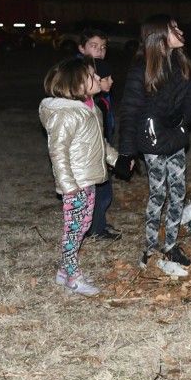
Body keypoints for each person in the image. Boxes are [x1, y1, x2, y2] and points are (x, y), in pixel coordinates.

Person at [39, 56, 133, 296]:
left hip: (88, 179)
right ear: (77, 85)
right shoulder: (66, 114)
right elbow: (57, 152)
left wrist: (116, 160)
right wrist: (67, 185)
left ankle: (64, 270)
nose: (96, 78)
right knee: (74, 230)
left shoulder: (90, 108)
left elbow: (98, 143)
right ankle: (73, 277)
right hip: (76, 183)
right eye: (91, 76)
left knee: (82, 226)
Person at [118, 14, 191, 269]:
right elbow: (129, 112)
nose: (179, 30)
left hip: (176, 138)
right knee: (158, 195)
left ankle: (171, 247)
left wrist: (183, 119)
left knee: (177, 196)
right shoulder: (141, 69)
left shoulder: (181, 63)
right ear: (159, 37)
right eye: (173, 27)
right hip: (153, 142)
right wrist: (127, 153)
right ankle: (151, 250)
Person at [84, 58, 122, 241]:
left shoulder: (100, 102)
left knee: (103, 193)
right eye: (106, 78)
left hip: (103, 152)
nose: (111, 81)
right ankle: (96, 230)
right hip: (94, 157)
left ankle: (98, 225)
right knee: (98, 195)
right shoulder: (93, 104)